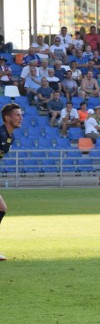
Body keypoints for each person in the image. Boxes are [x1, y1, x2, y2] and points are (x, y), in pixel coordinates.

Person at [0, 104, 23, 261]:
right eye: (17, 115)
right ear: (7, 118)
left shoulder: (10, 137)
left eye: (21, 115)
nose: (20, 118)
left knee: (1, 208)